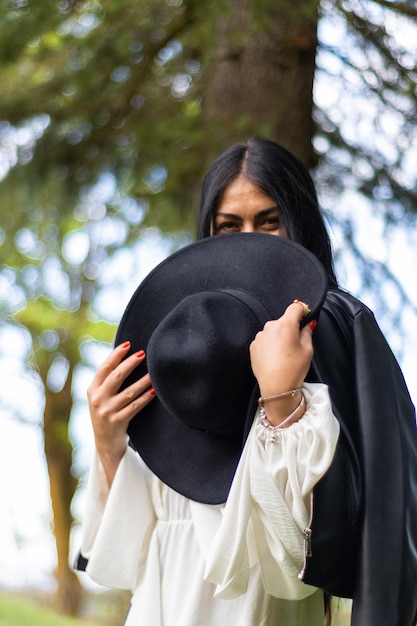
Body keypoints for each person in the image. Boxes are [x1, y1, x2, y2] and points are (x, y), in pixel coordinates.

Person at [76, 138, 417, 626]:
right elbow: (125, 557)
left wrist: (284, 402)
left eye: (270, 221)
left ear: (299, 224)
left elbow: (302, 556)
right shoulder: (184, 346)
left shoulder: (335, 336)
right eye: (228, 226)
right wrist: (110, 445)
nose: (249, 238)